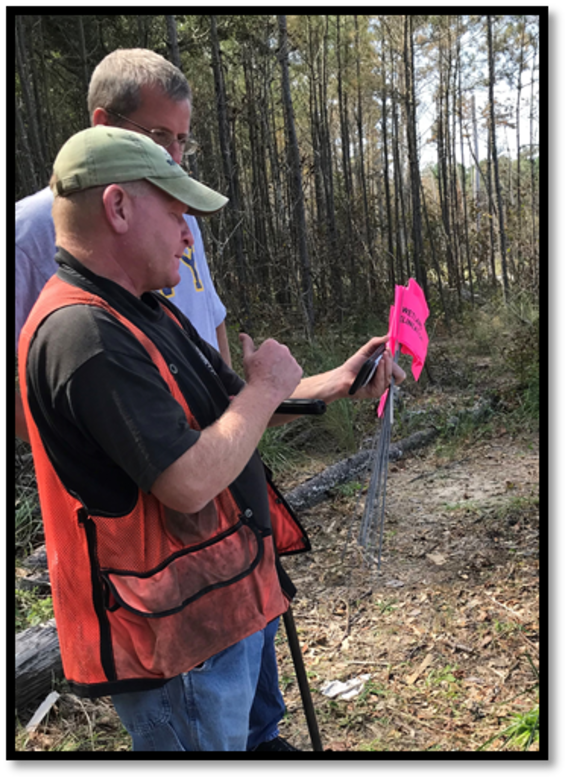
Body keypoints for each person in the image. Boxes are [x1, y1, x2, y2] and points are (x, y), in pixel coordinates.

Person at [18, 126, 405, 752]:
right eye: (174, 211)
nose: (187, 232)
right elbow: (190, 479)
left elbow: (224, 412)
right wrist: (263, 388)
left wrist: (331, 383)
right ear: (117, 207)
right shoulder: (81, 334)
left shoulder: (143, 309)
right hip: (172, 644)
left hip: (217, 606)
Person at [16, 48, 231, 445]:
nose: (175, 158)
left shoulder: (182, 221)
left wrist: (229, 416)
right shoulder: (26, 232)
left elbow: (210, 321)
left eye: (182, 140)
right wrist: (109, 448)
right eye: (160, 135)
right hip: (143, 475)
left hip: (209, 457)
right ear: (101, 124)